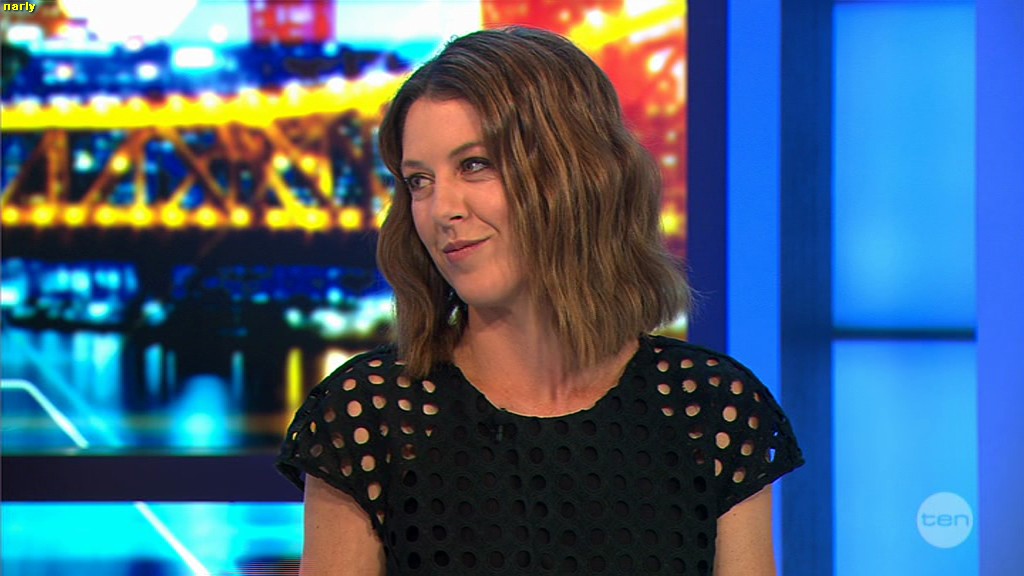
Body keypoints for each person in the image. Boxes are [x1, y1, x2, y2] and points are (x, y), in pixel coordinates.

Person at [277, 26, 803, 575]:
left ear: (576, 175)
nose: (441, 209)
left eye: (474, 165)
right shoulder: (370, 414)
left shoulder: (710, 408)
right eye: (419, 181)